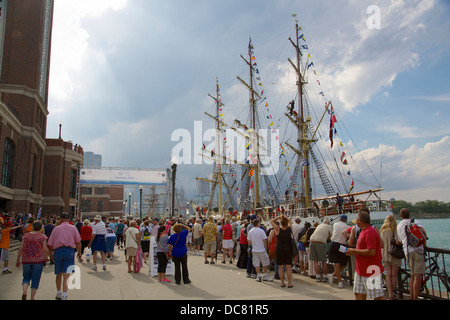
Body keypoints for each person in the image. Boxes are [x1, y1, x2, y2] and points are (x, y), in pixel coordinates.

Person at [346, 211, 385, 300]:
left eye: (356, 218)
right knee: (358, 292)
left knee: (377, 296)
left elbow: (372, 252)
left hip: (371, 269)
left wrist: (354, 251)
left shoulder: (369, 232)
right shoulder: (364, 231)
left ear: (359, 220)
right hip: (362, 269)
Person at [47, 212, 82, 300]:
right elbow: (78, 242)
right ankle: (64, 294)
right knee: (66, 274)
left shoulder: (56, 229)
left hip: (58, 251)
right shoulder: (73, 228)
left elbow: (50, 244)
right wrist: (80, 253)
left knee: (58, 274)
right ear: (69, 219)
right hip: (69, 251)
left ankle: (59, 292)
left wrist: (50, 254)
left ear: (61, 219)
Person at [397, 208, 427, 300]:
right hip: (418, 250)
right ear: (409, 214)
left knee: (412, 275)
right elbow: (424, 233)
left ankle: (411, 297)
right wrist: (425, 245)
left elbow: (399, 241)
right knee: (418, 276)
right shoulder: (414, 221)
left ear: (400, 216)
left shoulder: (399, 225)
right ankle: (415, 298)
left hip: (407, 251)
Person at [15, 220, 49, 300]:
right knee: (35, 279)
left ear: (32, 227)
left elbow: (20, 249)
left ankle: (24, 291)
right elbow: (45, 249)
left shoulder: (26, 236)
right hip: (38, 260)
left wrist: (18, 259)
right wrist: (47, 257)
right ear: (41, 228)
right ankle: (32, 297)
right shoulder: (42, 237)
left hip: (26, 259)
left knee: (26, 277)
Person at [380, 214, 402, 300]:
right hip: (394, 254)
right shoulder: (395, 229)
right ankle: (392, 293)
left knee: (388, 275)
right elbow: (397, 242)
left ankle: (390, 294)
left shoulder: (382, 230)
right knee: (394, 275)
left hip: (385, 253)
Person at [270, 215, 293, 287]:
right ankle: (289, 283)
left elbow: (271, 221)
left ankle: (282, 283)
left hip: (279, 249)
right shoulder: (289, 229)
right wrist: (285, 217)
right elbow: (290, 221)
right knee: (289, 267)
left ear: (281, 223)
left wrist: (278, 217)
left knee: (280, 267)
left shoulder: (278, 229)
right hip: (288, 248)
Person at [247, 218, 273, 282]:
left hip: (254, 249)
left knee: (256, 263)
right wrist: (265, 249)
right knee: (265, 263)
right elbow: (265, 240)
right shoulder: (261, 231)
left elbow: (249, 241)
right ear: (258, 223)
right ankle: (265, 275)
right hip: (261, 249)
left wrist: (250, 248)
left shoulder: (250, 231)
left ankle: (258, 276)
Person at [328, 215, 350, 288]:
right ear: (346, 220)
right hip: (341, 245)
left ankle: (335, 276)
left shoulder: (335, 224)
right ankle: (338, 280)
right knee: (344, 263)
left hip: (333, 243)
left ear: (340, 219)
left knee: (336, 263)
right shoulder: (347, 227)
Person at [309, 218, 332, 282]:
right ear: (328, 223)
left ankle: (318, 276)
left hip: (312, 241)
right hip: (320, 243)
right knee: (323, 261)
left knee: (315, 261)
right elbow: (332, 236)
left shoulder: (319, 225)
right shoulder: (328, 226)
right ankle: (325, 276)